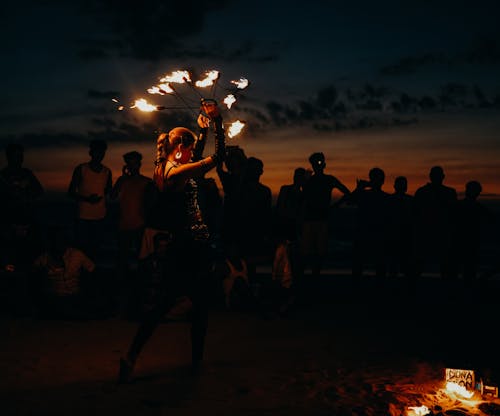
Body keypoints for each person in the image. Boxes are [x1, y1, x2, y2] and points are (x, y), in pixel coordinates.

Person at [118, 98, 226, 383]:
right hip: (189, 248)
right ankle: (189, 362)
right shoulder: (177, 172)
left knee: (178, 306)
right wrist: (218, 122)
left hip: (188, 246)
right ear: (180, 149)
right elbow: (218, 158)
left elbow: (199, 155)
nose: (193, 153)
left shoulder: (163, 165)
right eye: (189, 149)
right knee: (185, 306)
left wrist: (202, 131)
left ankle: (135, 357)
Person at [110, 151, 154, 314]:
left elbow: (151, 204)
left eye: (135, 162)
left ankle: (139, 297)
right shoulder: (122, 181)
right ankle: (123, 297)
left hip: (139, 226)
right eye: (130, 163)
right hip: (123, 226)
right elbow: (112, 196)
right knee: (122, 263)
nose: (133, 165)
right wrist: (121, 178)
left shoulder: (146, 182)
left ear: (139, 164)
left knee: (141, 262)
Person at [300, 152, 350, 279]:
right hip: (309, 219)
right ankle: (305, 279)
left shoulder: (329, 179)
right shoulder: (309, 180)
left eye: (319, 162)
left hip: (321, 219)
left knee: (318, 253)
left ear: (324, 164)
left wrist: (335, 206)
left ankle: (313, 278)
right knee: (307, 253)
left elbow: (347, 193)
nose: (317, 165)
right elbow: (302, 198)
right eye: (315, 163)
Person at [32, 225, 96, 319]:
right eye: (56, 240)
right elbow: (33, 274)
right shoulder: (43, 258)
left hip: (75, 296)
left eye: (61, 239)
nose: (59, 243)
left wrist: (86, 290)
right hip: (54, 298)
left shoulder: (76, 255)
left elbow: (92, 270)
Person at [67, 139, 112, 263]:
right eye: (97, 151)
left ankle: (92, 276)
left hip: (100, 216)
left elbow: (108, 191)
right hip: (83, 217)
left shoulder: (107, 172)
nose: (100, 154)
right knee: (81, 250)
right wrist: (87, 199)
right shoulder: (81, 169)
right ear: (91, 152)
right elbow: (70, 192)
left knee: (96, 250)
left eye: (102, 152)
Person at [413, 165, 457, 279]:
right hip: (428, 233)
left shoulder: (423, 192)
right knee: (420, 265)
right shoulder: (448, 193)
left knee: (444, 266)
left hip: (438, 234)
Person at [348, 167, 390, 279]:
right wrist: (360, 189)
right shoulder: (386, 198)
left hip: (366, 232)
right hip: (375, 233)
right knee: (377, 264)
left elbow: (349, 201)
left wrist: (359, 188)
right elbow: (350, 201)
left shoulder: (365, 194)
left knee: (362, 263)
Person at [387, 176, 415, 278]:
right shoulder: (410, 200)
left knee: (399, 266)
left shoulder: (389, 200)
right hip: (397, 236)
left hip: (404, 236)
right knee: (398, 266)